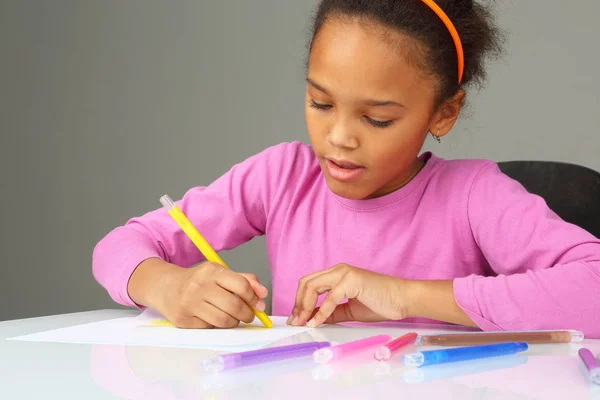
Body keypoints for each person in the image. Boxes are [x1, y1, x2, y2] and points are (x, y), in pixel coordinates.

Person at [93, 0, 600, 337]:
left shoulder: (474, 195)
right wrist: (167, 287)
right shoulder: (281, 178)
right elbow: (119, 247)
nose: (339, 137)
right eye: (320, 103)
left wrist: (401, 296)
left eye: (377, 119)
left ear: (443, 112)